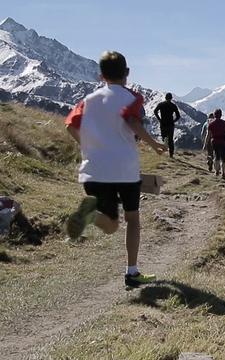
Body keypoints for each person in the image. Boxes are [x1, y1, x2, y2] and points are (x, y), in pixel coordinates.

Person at [64, 51, 168, 287]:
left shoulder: (87, 100)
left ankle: (90, 214)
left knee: (110, 224)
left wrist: (90, 146)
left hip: (94, 170)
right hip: (124, 169)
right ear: (127, 73)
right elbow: (132, 122)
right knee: (132, 219)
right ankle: (132, 272)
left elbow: (70, 125)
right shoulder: (132, 98)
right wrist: (154, 145)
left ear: (101, 76)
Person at [202, 108, 225, 178]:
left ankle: (216, 172)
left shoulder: (211, 124)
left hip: (215, 141)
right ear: (221, 115)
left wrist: (205, 144)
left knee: (217, 156)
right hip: (223, 141)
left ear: (214, 115)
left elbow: (208, 135)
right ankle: (223, 173)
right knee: (223, 157)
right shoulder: (224, 123)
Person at [153, 92, 181, 158]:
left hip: (163, 123)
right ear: (171, 98)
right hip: (170, 125)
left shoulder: (161, 104)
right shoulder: (173, 105)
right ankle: (171, 154)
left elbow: (155, 111)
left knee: (164, 138)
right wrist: (174, 121)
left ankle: (163, 150)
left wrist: (159, 119)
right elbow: (178, 116)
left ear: (165, 98)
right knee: (170, 139)